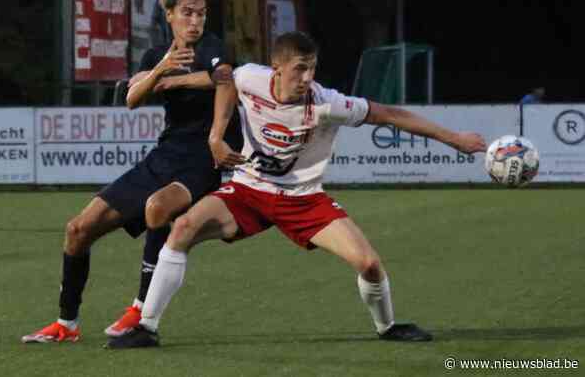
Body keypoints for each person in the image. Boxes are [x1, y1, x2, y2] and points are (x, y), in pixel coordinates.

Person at [106, 31, 487, 349]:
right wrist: (216, 134)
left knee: (368, 264)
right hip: (249, 191)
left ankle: (388, 327)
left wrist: (453, 139)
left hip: (303, 199)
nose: (307, 78)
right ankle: (147, 327)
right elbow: (225, 81)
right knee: (183, 227)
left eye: (312, 68)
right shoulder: (251, 78)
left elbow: (389, 114)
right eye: (300, 69)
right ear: (277, 68)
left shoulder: (328, 103)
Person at [22, 0, 242, 343]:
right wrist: (161, 71)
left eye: (201, 14)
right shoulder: (156, 55)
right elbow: (130, 99)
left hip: (201, 161)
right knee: (78, 230)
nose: (195, 21)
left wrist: (179, 85)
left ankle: (140, 310)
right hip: (163, 156)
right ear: (169, 15)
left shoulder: (213, 48)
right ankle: (66, 325)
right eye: (187, 13)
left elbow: (224, 78)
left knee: (158, 208)